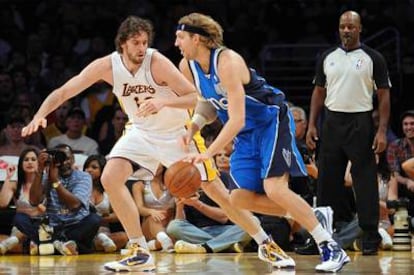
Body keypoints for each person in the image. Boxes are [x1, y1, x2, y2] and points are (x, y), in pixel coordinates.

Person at [21, 16, 272, 273]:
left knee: (217, 192)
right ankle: (139, 250)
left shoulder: (157, 62)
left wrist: (163, 102)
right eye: (136, 43)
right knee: (110, 177)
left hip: (177, 133)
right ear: (122, 44)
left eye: (144, 42)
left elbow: (193, 98)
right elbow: (65, 91)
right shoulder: (106, 66)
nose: (142, 48)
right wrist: (40, 115)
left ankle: (265, 240)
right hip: (141, 132)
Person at [175, 12, 348, 272]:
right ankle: (313, 216)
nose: (176, 43)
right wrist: (194, 126)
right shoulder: (187, 66)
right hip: (247, 133)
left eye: (180, 37)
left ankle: (330, 245)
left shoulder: (228, 61)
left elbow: (237, 119)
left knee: (275, 188)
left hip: (270, 121)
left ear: (196, 38)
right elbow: (209, 104)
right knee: (239, 199)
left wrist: (208, 153)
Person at [306, 10, 391, 256]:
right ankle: (321, 237)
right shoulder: (327, 57)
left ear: (360, 29)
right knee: (326, 184)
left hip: (361, 122)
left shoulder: (373, 58)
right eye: (343, 26)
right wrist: (312, 124)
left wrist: (382, 131)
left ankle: (370, 236)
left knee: (364, 182)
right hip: (332, 122)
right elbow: (318, 92)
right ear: (338, 28)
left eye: (351, 26)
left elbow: (384, 95)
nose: (346, 30)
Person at [16, 144, 101, 255]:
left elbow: (74, 205)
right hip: (52, 227)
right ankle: (62, 245)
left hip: (75, 225)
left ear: (73, 160)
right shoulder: (47, 176)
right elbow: (34, 201)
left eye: (67, 158)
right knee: (20, 219)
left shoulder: (83, 176)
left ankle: (46, 245)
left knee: (94, 219)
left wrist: (55, 181)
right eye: (60, 158)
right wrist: (40, 171)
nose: (64, 162)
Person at [167, 188, 252, 254]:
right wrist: (179, 206)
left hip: (225, 230)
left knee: (252, 221)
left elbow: (224, 217)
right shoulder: (183, 185)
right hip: (196, 232)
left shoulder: (222, 178)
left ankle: (206, 247)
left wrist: (198, 204)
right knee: (173, 227)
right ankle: (226, 245)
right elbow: (180, 222)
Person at [0, 147, 45, 255]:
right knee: (20, 218)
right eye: (26, 160)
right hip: (22, 224)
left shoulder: (45, 182)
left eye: (33, 159)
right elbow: (2, 203)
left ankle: (19, 243)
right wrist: (8, 178)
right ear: (21, 164)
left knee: (41, 223)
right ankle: (35, 245)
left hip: (41, 224)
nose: (30, 162)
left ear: (39, 163)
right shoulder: (15, 183)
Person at [84, 154, 127, 253]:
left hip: (105, 233)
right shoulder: (80, 188)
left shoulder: (109, 191)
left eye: (94, 167)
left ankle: (98, 243)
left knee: (124, 236)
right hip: (85, 231)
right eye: (86, 167)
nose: (89, 170)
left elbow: (118, 215)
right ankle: (95, 244)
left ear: (103, 170)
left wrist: (100, 219)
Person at [131, 165, 175, 252]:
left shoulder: (172, 183)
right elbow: (140, 209)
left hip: (169, 222)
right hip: (149, 224)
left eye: (156, 162)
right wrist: (152, 212)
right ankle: (164, 241)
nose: (154, 165)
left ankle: (151, 245)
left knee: (175, 238)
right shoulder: (139, 185)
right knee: (154, 219)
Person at [386, 110, 414, 220]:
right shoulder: (395, 146)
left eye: (412, 124)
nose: (409, 127)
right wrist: (407, 181)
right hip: (404, 194)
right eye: (405, 124)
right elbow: (394, 174)